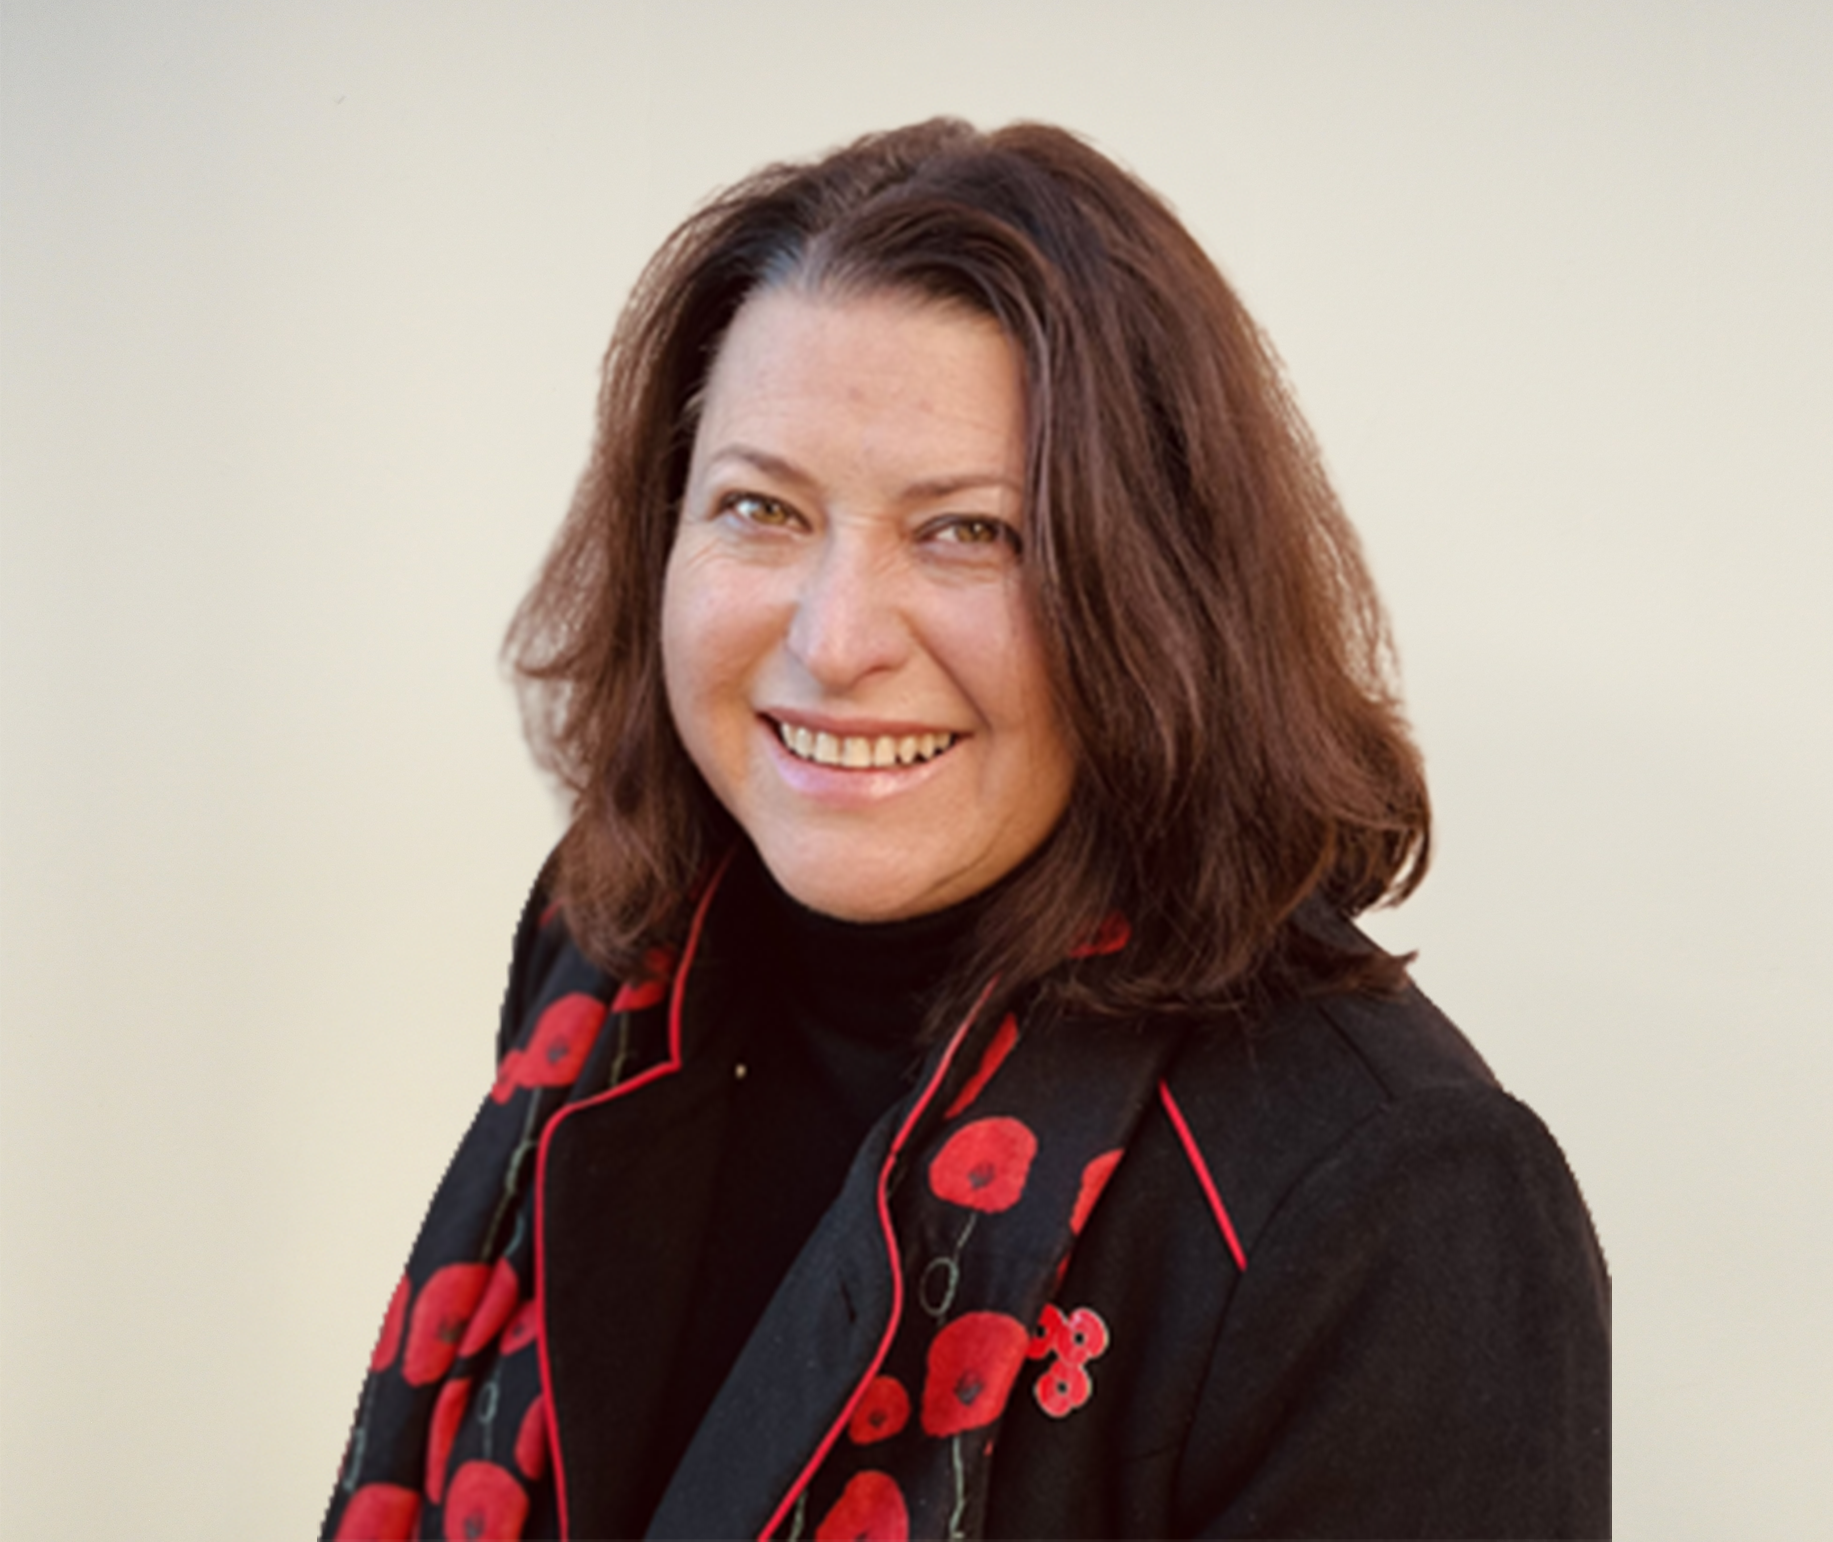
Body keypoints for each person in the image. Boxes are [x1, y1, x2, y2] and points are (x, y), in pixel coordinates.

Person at [323, 119, 1610, 1541]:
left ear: (1154, 597)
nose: (835, 638)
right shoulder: (611, 955)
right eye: (760, 507)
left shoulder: (1390, 1202)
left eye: (968, 533)